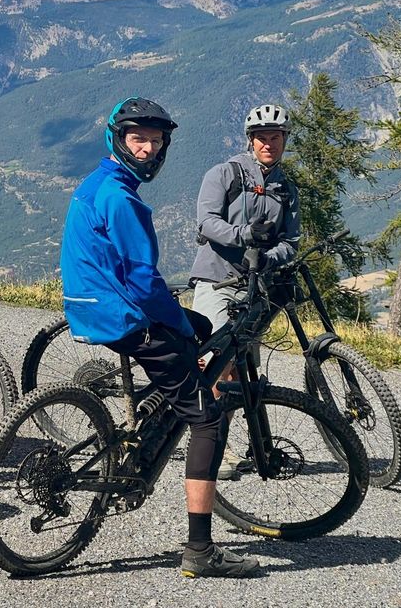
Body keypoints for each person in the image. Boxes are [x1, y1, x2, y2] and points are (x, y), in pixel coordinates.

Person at [59, 97, 259, 578]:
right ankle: (200, 551)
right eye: (138, 139)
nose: (147, 149)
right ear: (118, 139)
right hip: (121, 315)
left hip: (89, 307)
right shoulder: (123, 198)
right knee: (207, 417)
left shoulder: (98, 182)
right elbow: (145, 283)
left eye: (155, 141)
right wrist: (185, 321)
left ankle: (149, 426)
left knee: (181, 360)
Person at [189, 104, 300, 479]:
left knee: (245, 369)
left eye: (276, 137)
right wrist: (243, 236)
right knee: (220, 363)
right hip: (217, 281)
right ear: (250, 141)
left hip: (254, 287)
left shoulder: (286, 189)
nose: (269, 144)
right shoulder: (225, 173)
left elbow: (291, 241)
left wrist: (268, 259)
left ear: (284, 141)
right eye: (262, 138)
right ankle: (214, 447)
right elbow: (205, 221)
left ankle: (248, 443)